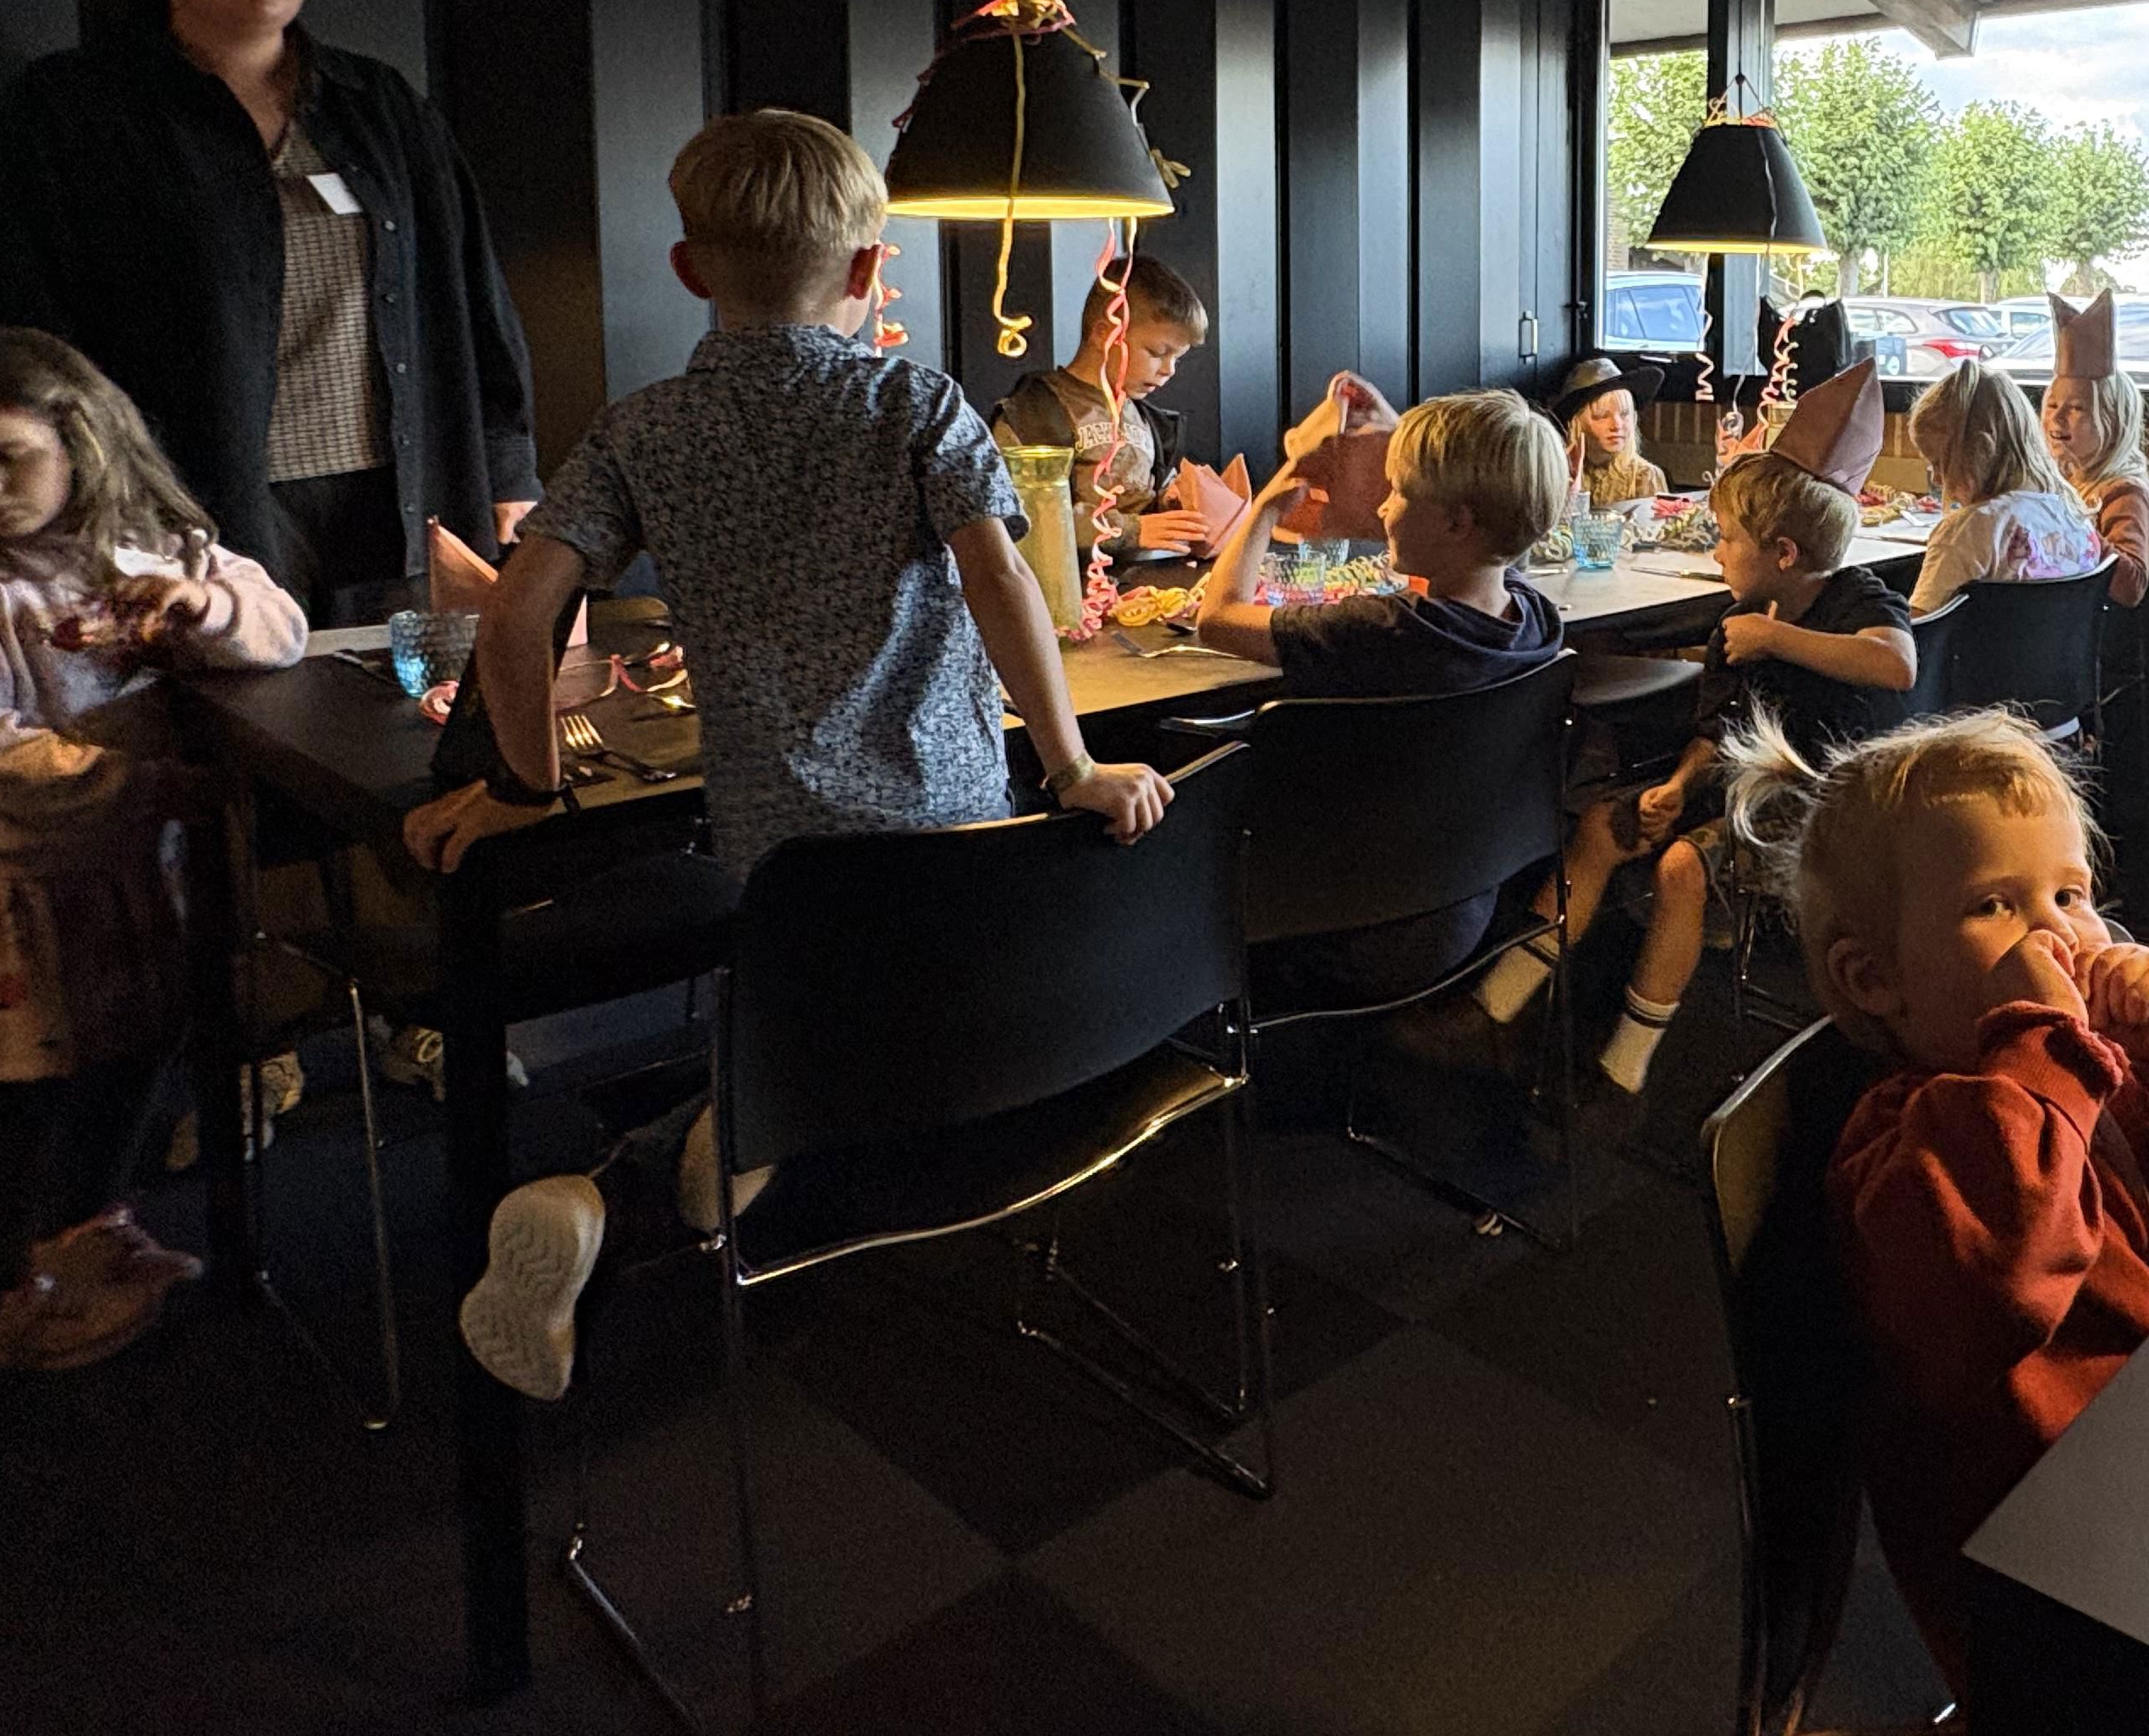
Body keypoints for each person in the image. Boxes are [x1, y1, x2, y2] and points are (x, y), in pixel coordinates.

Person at [405, 112, 1171, 1401]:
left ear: (688, 269)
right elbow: (1004, 586)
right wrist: (1075, 765)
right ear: (870, 270)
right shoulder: (913, 401)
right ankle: (671, 1169)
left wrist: (528, 786)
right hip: (951, 839)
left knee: (818, 1009)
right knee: (878, 1031)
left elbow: (517, 619)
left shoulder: (644, 430)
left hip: (784, 859)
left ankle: (620, 1190)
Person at [1729, 707, 2149, 1702]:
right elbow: (1998, 1273)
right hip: (2070, 1592)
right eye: (1996, 906)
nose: (2059, 933)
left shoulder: (2126, 1068)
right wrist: (2041, 1053)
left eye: (2071, 893)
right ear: (1873, 978)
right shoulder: (1903, 1147)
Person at [0, 0, 539, 624]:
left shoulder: (378, 103)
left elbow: (473, 294)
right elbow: (33, 327)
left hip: (402, 492)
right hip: (197, 496)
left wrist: (509, 467)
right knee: (243, 686)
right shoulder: (72, 110)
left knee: (406, 690)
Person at [0, 327, 308, 1379]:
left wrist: (204, 606)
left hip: (131, 875)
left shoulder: (150, 550)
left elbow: (281, 625)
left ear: (80, 442)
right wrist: (150, 786)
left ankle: (83, 1238)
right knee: (24, 1095)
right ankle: (8, 1289)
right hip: (17, 890)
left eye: (7, 457)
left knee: (134, 1054)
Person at [1474, 360, 1913, 1094]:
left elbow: (1895, 664)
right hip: (1729, 785)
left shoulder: (1854, 598)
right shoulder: (1736, 621)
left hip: (1819, 800)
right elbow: (1715, 728)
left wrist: (1779, 640)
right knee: (1603, 828)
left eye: (1728, 539)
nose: (1716, 552)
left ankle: (1626, 1065)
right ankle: (1498, 1006)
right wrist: (1677, 786)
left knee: (1683, 868)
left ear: (1784, 554)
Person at [1190, 378, 1566, 1005]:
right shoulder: (1534, 620)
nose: (1385, 509)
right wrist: (1404, 438)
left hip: (1339, 925)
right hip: (1462, 905)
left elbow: (1218, 619)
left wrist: (1264, 511)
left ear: (1456, 521)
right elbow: (1455, 559)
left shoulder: (1381, 631)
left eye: (1399, 492)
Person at [988, 254, 1219, 572]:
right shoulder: (1031, 417)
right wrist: (1131, 531)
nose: (1169, 370)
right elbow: (1025, 519)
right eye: (1157, 352)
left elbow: (1152, 489)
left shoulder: (1151, 422)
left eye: (1177, 359)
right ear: (1104, 334)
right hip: (1070, 586)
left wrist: (1174, 499)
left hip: (1149, 584)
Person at [1904, 359, 2108, 618]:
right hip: (2065, 646)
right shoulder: (2075, 518)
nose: (1937, 479)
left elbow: (1919, 628)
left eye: (1940, 463)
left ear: (1981, 450)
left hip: (1981, 646)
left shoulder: (1967, 532)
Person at [2037, 289, 2149, 608]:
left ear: (2113, 420)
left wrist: (2073, 530)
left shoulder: (2124, 493)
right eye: (2052, 405)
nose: (2057, 419)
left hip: (2089, 627)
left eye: (2077, 408)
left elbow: (2132, 585)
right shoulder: (2059, 483)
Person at [1551, 356, 1668, 509]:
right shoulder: (1558, 474)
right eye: (1602, 416)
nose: (1617, 425)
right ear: (1577, 422)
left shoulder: (1644, 477)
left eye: (1624, 414)